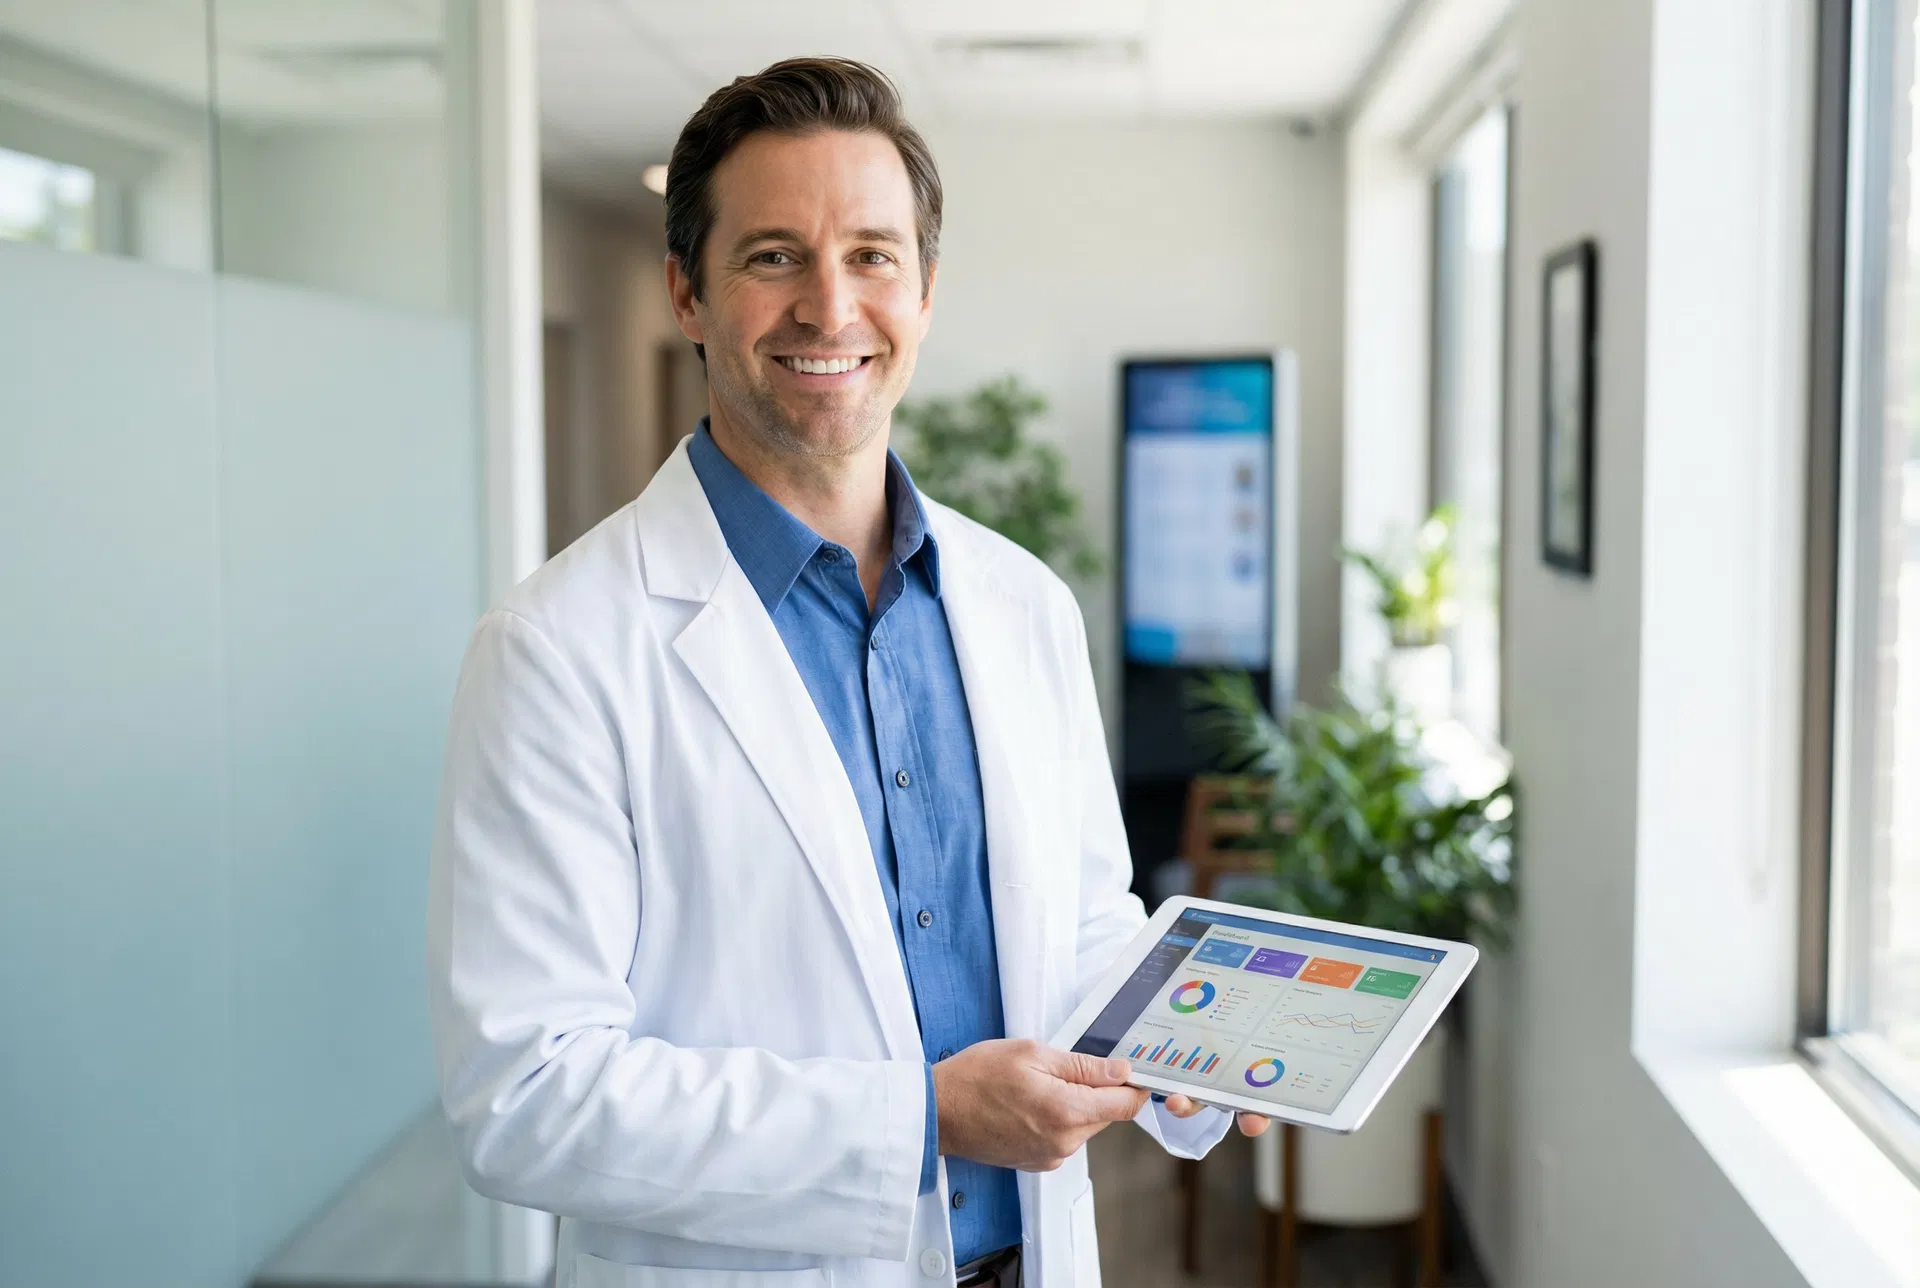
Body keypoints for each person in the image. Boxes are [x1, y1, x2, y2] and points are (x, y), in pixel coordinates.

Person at [427, 56, 1266, 1288]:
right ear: (688, 294)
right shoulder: (558, 650)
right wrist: (923, 1119)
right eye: (773, 256)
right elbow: (527, 1093)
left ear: (925, 292)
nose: (830, 306)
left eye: (873, 254)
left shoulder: (1023, 605)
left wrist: (1199, 1051)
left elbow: (1084, 931)